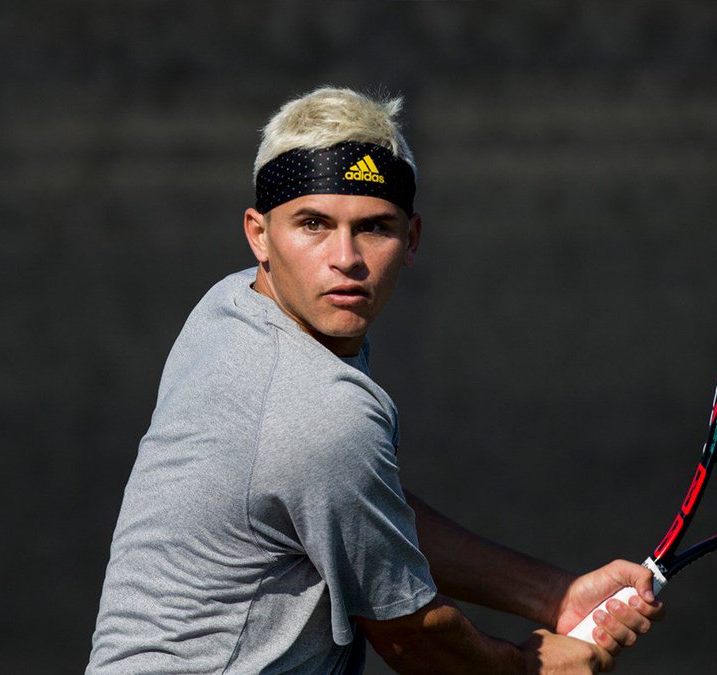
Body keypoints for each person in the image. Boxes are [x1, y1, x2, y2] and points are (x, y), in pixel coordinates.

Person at [86, 86, 663, 674]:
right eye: (313, 224)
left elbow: (360, 509)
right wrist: (532, 668)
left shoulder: (231, 305)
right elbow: (414, 641)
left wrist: (552, 595)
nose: (346, 258)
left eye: (374, 228)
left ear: (410, 239)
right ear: (259, 234)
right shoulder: (322, 411)